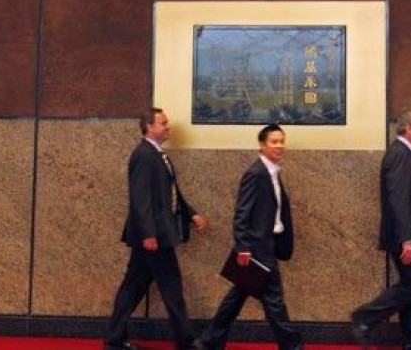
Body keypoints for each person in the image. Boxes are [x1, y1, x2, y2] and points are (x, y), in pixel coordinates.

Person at [105, 108, 207, 350]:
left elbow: (170, 193)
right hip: (154, 237)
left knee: (133, 287)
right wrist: (149, 234)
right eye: (164, 123)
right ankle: (186, 341)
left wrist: (190, 213)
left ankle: (114, 339)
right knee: (171, 286)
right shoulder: (143, 155)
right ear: (149, 127)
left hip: (155, 235)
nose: (168, 126)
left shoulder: (158, 155)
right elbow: (140, 200)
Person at [196, 124, 303, 350]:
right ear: (262, 145)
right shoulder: (255, 173)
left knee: (237, 297)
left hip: (269, 244)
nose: (280, 145)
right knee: (274, 301)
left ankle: (208, 342)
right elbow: (241, 213)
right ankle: (292, 345)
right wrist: (243, 247)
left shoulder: (272, 172)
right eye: (274, 142)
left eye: (282, 141)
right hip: (257, 247)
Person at [351, 107, 411, 350]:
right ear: (407, 129)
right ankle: (364, 318)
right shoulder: (399, 154)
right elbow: (397, 199)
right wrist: (406, 239)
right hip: (409, 236)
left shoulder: (409, 153)